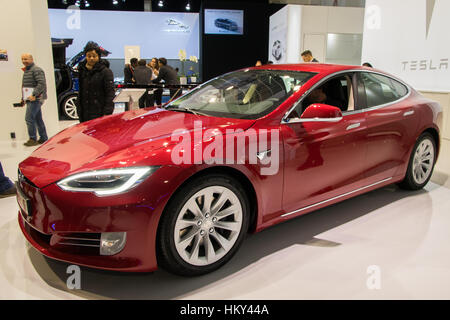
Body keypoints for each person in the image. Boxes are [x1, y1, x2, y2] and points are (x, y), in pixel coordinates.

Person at [77, 41, 115, 123]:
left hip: (100, 113)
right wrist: (79, 109)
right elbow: (81, 92)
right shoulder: (82, 70)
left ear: (99, 56)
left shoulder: (106, 72)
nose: (91, 58)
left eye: (94, 56)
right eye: (89, 56)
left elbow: (110, 93)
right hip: (84, 113)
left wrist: (107, 113)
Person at [21, 53, 48, 147]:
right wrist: (23, 98)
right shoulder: (27, 71)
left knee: (29, 118)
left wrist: (34, 95)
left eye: (26, 59)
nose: (24, 61)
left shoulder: (36, 70)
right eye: (23, 59)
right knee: (38, 119)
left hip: (36, 99)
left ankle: (32, 139)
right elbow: (26, 86)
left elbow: (41, 84)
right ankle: (44, 138)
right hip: (30, 99)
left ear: (31, 59)